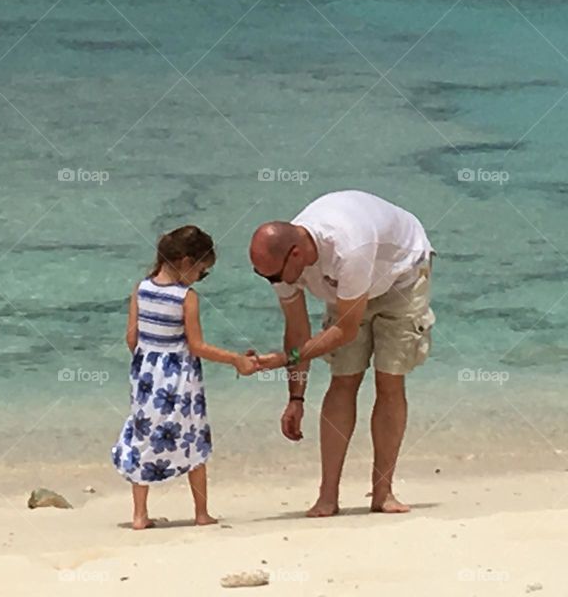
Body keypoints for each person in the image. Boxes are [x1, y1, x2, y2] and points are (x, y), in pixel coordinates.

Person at [249, 190, 435, 517]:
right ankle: (328, 496)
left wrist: (282, 359)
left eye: (273, 276)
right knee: (343, 379)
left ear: (295, 254)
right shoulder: (278, 262)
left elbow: (344, 331)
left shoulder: (349, 247)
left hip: (400, 277)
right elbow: (298, 331)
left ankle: (383, 492)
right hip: (347, 288)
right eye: (263, 275)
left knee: (388, 379)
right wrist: (296, 398)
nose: (271, 282)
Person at [112, 225, 274, 529]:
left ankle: (139, 515)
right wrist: (236, 359)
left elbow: (131, 338)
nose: (201, 278)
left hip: (146, 377)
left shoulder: (141, 289)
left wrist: (147, 362)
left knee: (142, 437)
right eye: (203, 271)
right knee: (194, 440)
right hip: (180, 381)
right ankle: (201, 513)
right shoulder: (186, 297)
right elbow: (197, 346)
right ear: (187, 262)